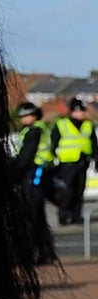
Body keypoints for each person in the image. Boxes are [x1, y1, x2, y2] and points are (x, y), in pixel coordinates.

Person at [11, 101, 56, 260]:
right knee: (37, 216)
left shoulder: (34, 131)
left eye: (27, 115)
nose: (24, 119)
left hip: (34, 174)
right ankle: (45, 252)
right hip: (37, 173)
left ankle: (32, 253)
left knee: (31, 215)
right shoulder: (34, 130)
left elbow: (26, 157)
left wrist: (14, 173)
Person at [54, 97, 93, 227]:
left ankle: (76, 216)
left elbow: (93, 144)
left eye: (83, 111)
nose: (82, 113)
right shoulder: (62, 124)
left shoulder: (88, 125)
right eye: (79, 111)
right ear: (72, 111)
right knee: (65, 191)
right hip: (66, 164)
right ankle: (63, 216)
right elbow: (53, 142)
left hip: (82, 163)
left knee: (79, 191)